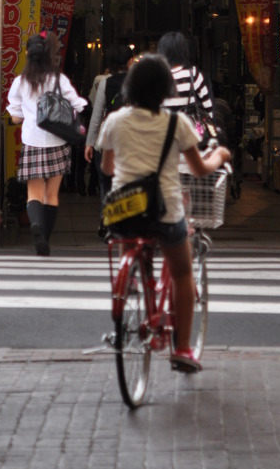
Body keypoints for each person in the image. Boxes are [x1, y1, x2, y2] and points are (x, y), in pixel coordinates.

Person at [98, 53, 230, 373]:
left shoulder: (114, 120)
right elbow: (199, 169)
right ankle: (182, 349)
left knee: (135, 241)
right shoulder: (177, 123)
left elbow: (106, 167)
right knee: (183, 273)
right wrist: (220, 155)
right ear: (165, 90)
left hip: (123, 211)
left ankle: (135, 284)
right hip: (165, 211)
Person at [6, 31, 88, 256]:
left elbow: (15, 116)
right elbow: (79, 105)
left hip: (32, 140)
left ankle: (35, 228)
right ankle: (45, 239)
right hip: (57, 140)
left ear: (27, 54)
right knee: (51, 194)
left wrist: (24, 114)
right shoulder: (58, 79)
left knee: (34, 193)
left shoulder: (21, 81)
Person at [85, 43, 132, 204]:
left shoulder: (105, 83)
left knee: (106, 189)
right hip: (133, 145)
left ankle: (106, 225)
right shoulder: (140, 83)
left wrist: (90, 143)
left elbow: (97, 116)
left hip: (108, 145)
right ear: (130, 62)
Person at [156, 32, 214, 124]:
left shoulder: (156, 76)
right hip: (188, 133)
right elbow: (208, 107)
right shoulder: (193, 73)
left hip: (162, 133)